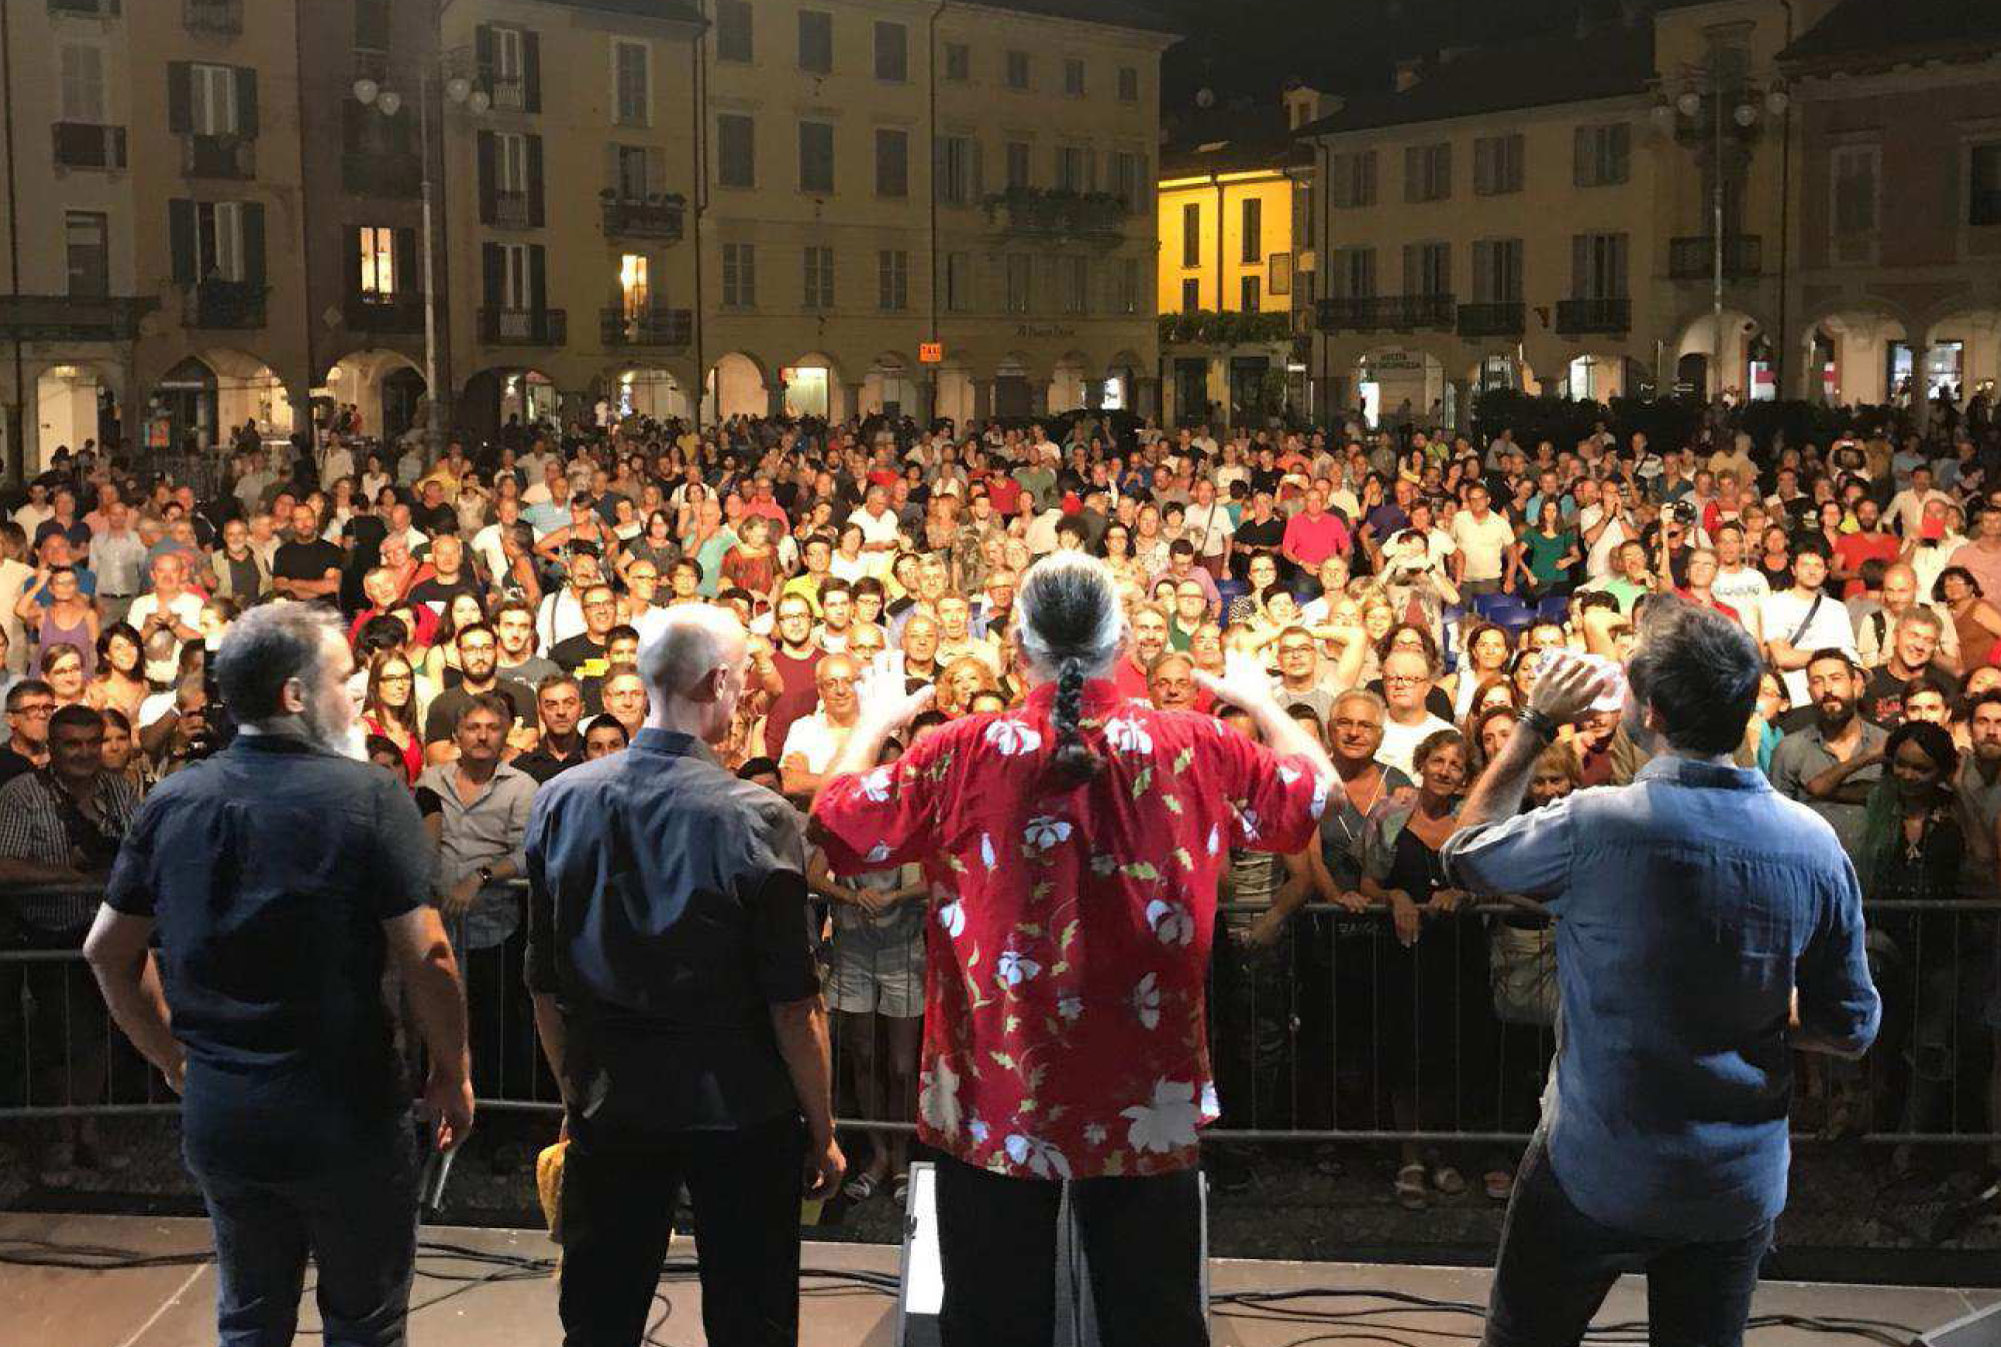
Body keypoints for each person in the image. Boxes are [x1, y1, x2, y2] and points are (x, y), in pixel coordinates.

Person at [809, 552, 1335, 1347]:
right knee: (1152, 1321)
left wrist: (877, 719)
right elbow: (1309, 797)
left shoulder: (962, 750)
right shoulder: (1193, 742)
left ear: (1015, 644)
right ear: (1122, 638)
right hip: (1142, 1087)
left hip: (992, 1089)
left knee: (990, 1324)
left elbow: (837, 821)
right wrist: (1263, 702)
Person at [1441, 597, 1879, 1347]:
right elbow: (1849, 1029)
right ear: (1746, 710)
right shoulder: (1811, 843)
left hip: (1597, 1164)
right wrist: (1749, 1009)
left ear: (1646, 712)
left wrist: (1535, 724)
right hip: (1730, 1181)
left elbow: (1466, 852)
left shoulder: (1596, 822)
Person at [84, 603, 472, 1346]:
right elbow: (428, 954)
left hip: (226, 1108)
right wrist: (451, 1071)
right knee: (365, 1322)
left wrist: (172, 1057)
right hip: (345, 1107)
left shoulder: (172, 799)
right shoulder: (370, 795)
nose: (355, 694)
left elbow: (107, 950)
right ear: (297, 695)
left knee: (251, 1317)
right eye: (344, 679)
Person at [525, 603, 839, 1347]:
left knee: (599, 1319)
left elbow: (544, 985)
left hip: (614, 1098)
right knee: (750, 1319)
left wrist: (575, 1093)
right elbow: (794, 1004)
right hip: (742, 1107)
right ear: (722, 683)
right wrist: (822, 1129)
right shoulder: (756, 816)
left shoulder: (561, 799)